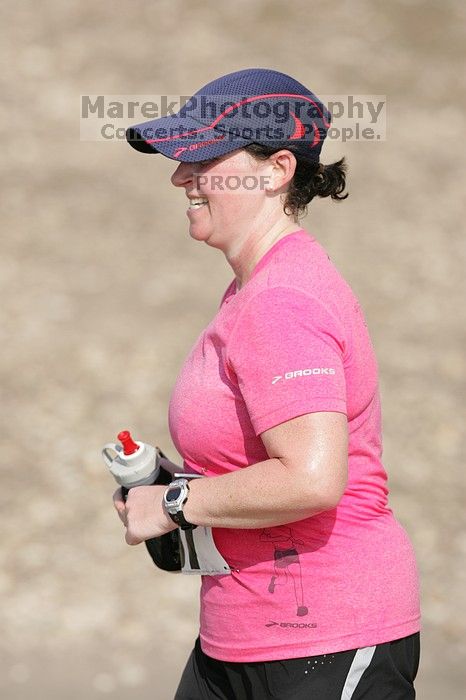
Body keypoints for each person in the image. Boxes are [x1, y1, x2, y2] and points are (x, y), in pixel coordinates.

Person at [113, 69, 421, 699]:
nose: (180, 177)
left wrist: (174, 505)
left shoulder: (281, 299)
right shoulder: (254, 289)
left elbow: (311, 477)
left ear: (277, 169)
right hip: (240, 636)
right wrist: (178, 480)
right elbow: (266, 461)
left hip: (327, 640)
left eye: (203, 159)